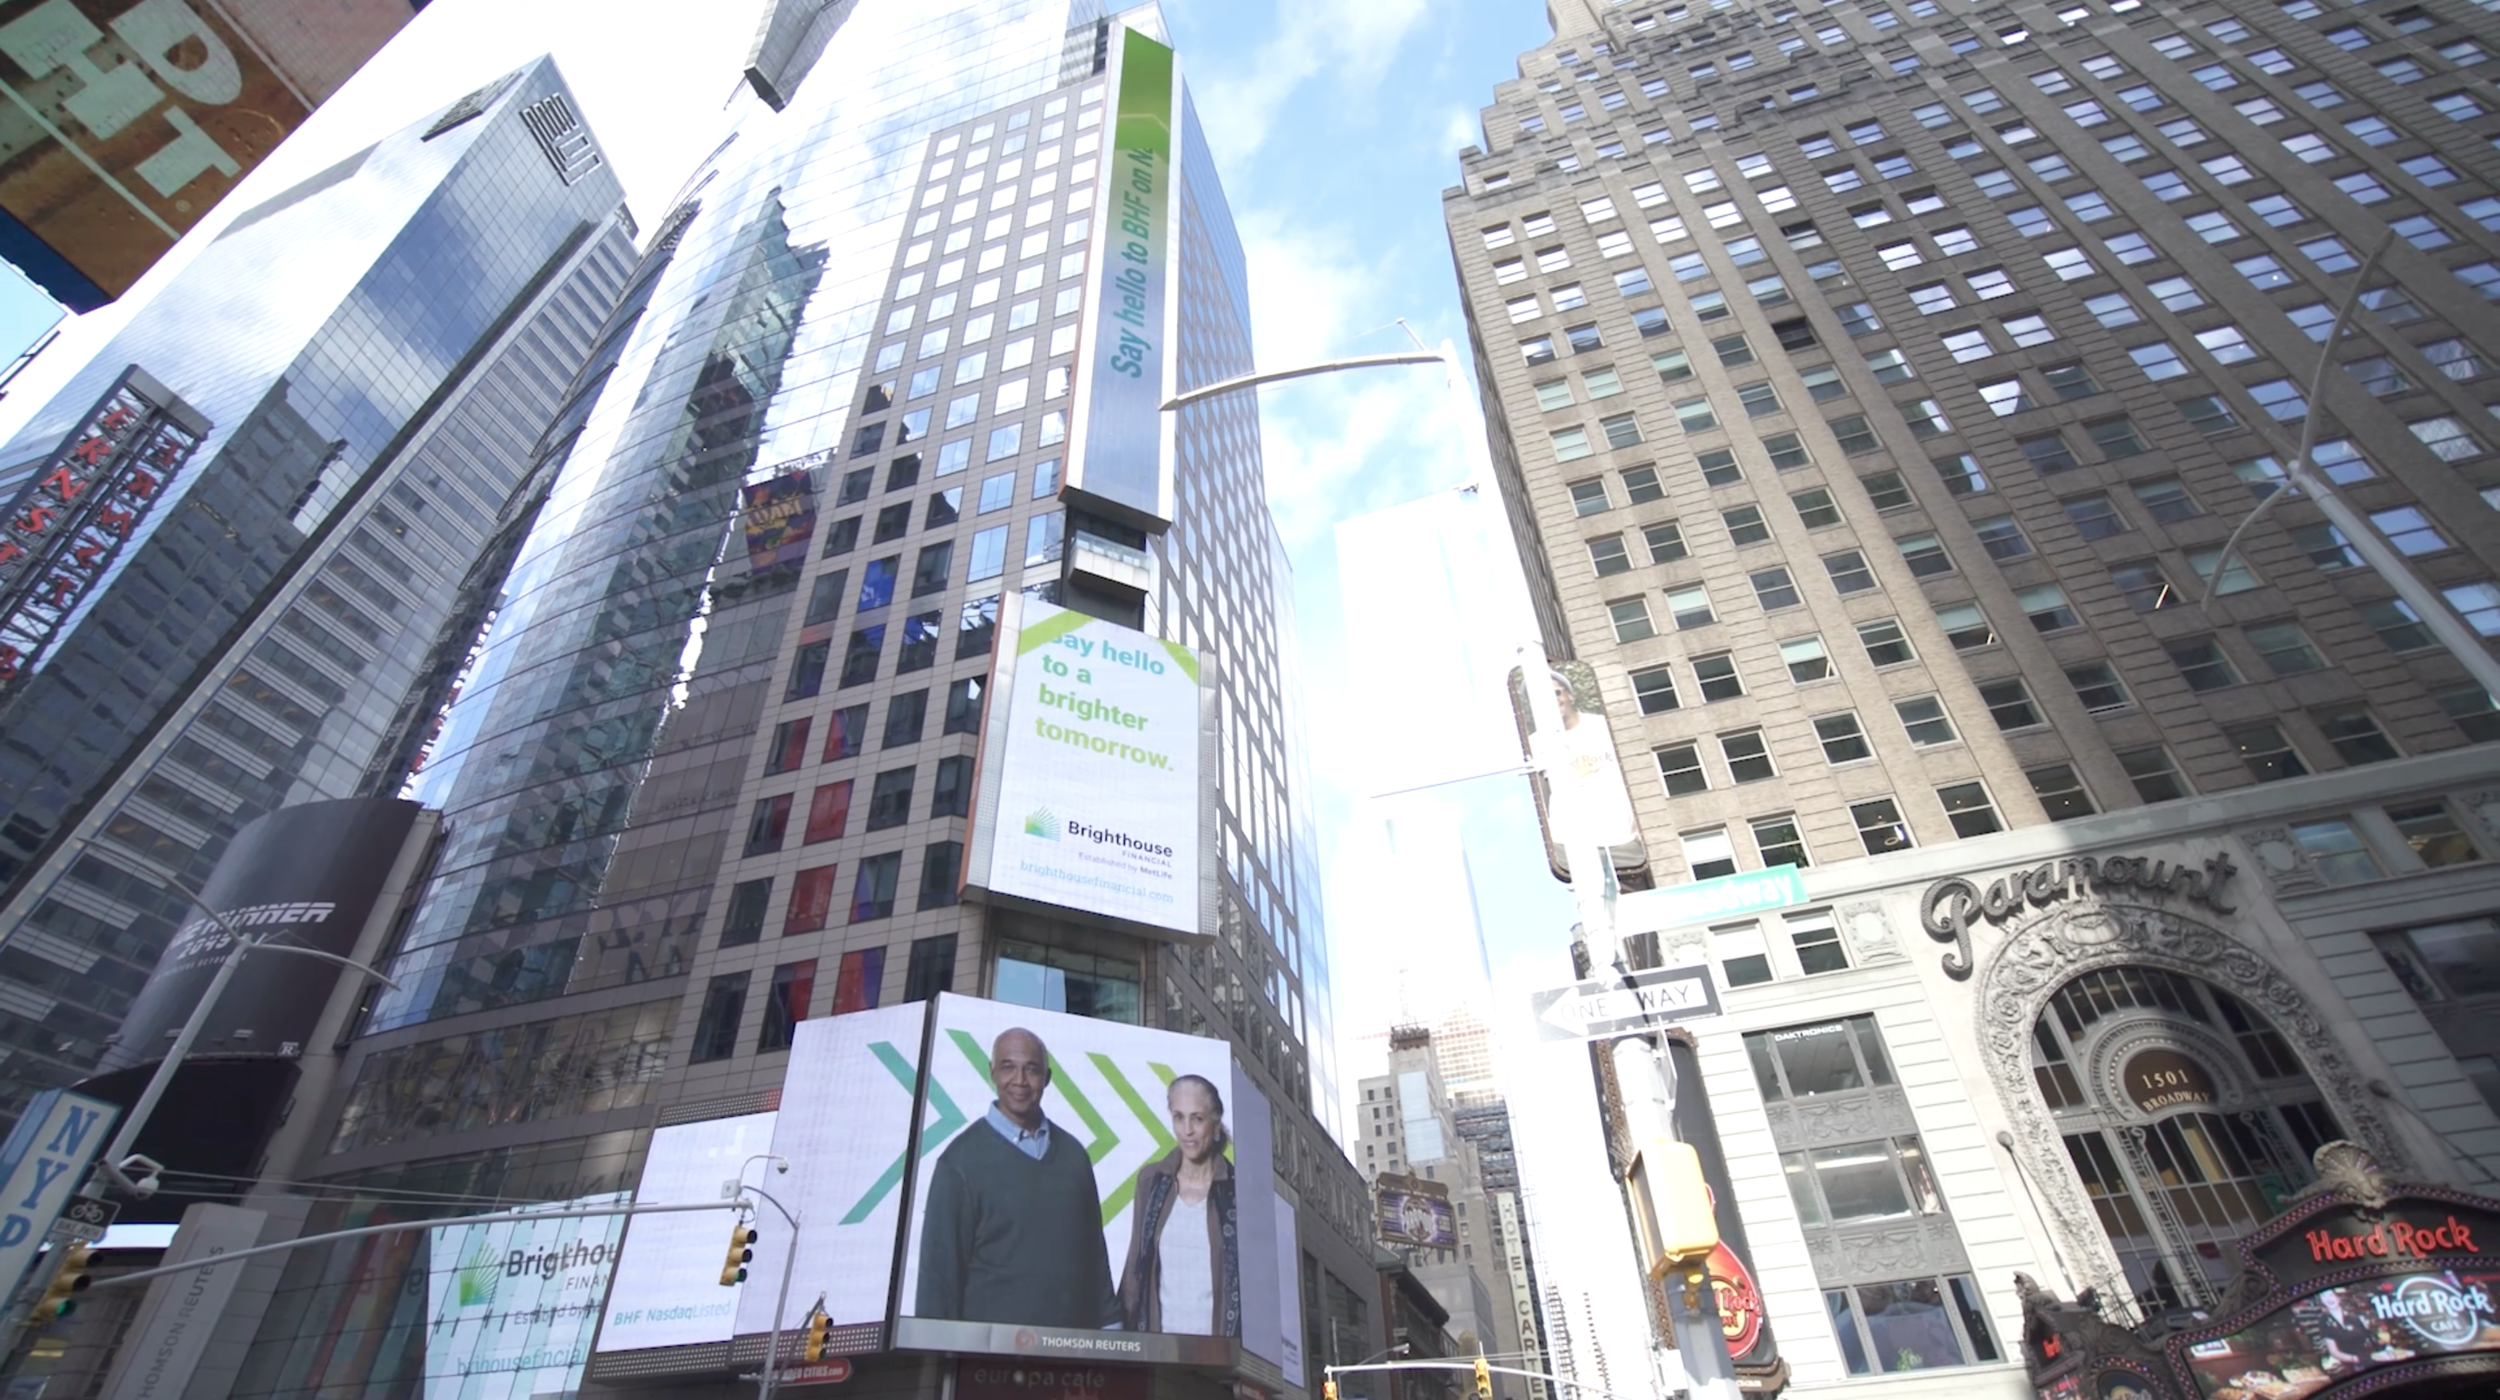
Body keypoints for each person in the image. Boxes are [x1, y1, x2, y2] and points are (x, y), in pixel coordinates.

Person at [914, 1027, 1121, 1329]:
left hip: (1072, 1349)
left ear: (1047, 1078)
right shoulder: (959, 1162)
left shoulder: (1074, 1156)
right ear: (992, 1073)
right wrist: (931, 1351)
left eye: (1031, 1069)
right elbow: (938, 1277)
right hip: (988, 1352)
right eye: (1008, 1067)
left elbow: (1095, 1255)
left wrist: (1112, 1325)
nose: (1020, 1080)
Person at [1116, 1074, 1241, 1335]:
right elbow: (1135, 1268)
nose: (1187, 1130)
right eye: (1178, 1117)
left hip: (1219, 1348)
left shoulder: (1237, 1189)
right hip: (1159, 1347)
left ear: (1215, 1125)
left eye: (1197, 1118)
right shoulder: (1151, 1181)